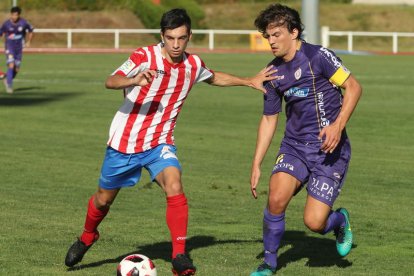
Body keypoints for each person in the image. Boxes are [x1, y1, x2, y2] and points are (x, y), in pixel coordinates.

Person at [64, 8, 276, 276]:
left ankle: (178, 257)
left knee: (174, 183)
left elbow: (213, 77)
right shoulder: (144, 56)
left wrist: (248, 81)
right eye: (170, 38)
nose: (176, 45)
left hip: (159, 143)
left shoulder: (193, 64)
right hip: (124, 144)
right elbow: (111, 80)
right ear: (162, 36)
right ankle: (87, 236)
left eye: (181, 38)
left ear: (189, 36)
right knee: (103, 200)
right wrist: (134, 79)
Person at [249, 4, 362, 275]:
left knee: (314, 222)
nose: (271, 41)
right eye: (268, 36)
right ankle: (269, 263)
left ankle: (339, 222)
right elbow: (269, 119)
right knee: (275, 199)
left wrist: (338, 125)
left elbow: (353, 87)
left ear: (294, 31)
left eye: (276, 34)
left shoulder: (318, 56)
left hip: (329, 149)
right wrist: (256, 163)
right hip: (294, 147)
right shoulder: (272, 73)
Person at [0, 6, 33, 94]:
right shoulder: (6, 24)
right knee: (11, 65)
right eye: (12, 15)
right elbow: (1, 33)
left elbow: (30, 30)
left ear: (19, 15)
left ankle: (7, 78)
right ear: (10, 15)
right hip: (9, 47)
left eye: (16, 15)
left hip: (19, 48)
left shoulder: (24, 23)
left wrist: (29, 41)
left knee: (16, 69)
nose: (14, 17)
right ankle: (9, 86)